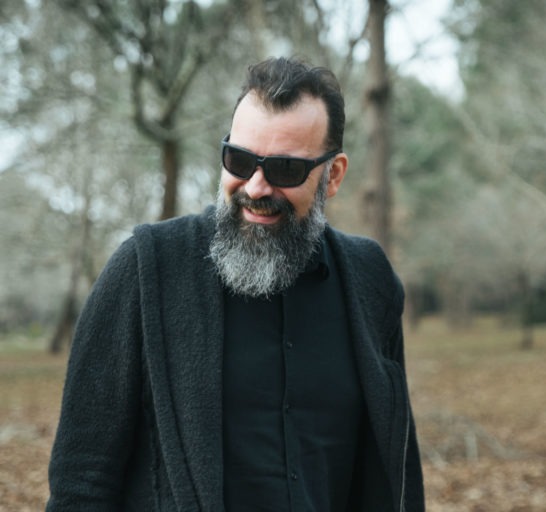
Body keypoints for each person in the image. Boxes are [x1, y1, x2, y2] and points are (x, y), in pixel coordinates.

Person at [46, 57, 424, 512]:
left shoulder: (370, 281)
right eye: (240, 160)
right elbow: (80, 484)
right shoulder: (144, 270)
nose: (257, 186)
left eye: (285, 170)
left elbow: (396, 471)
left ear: (334, 175)